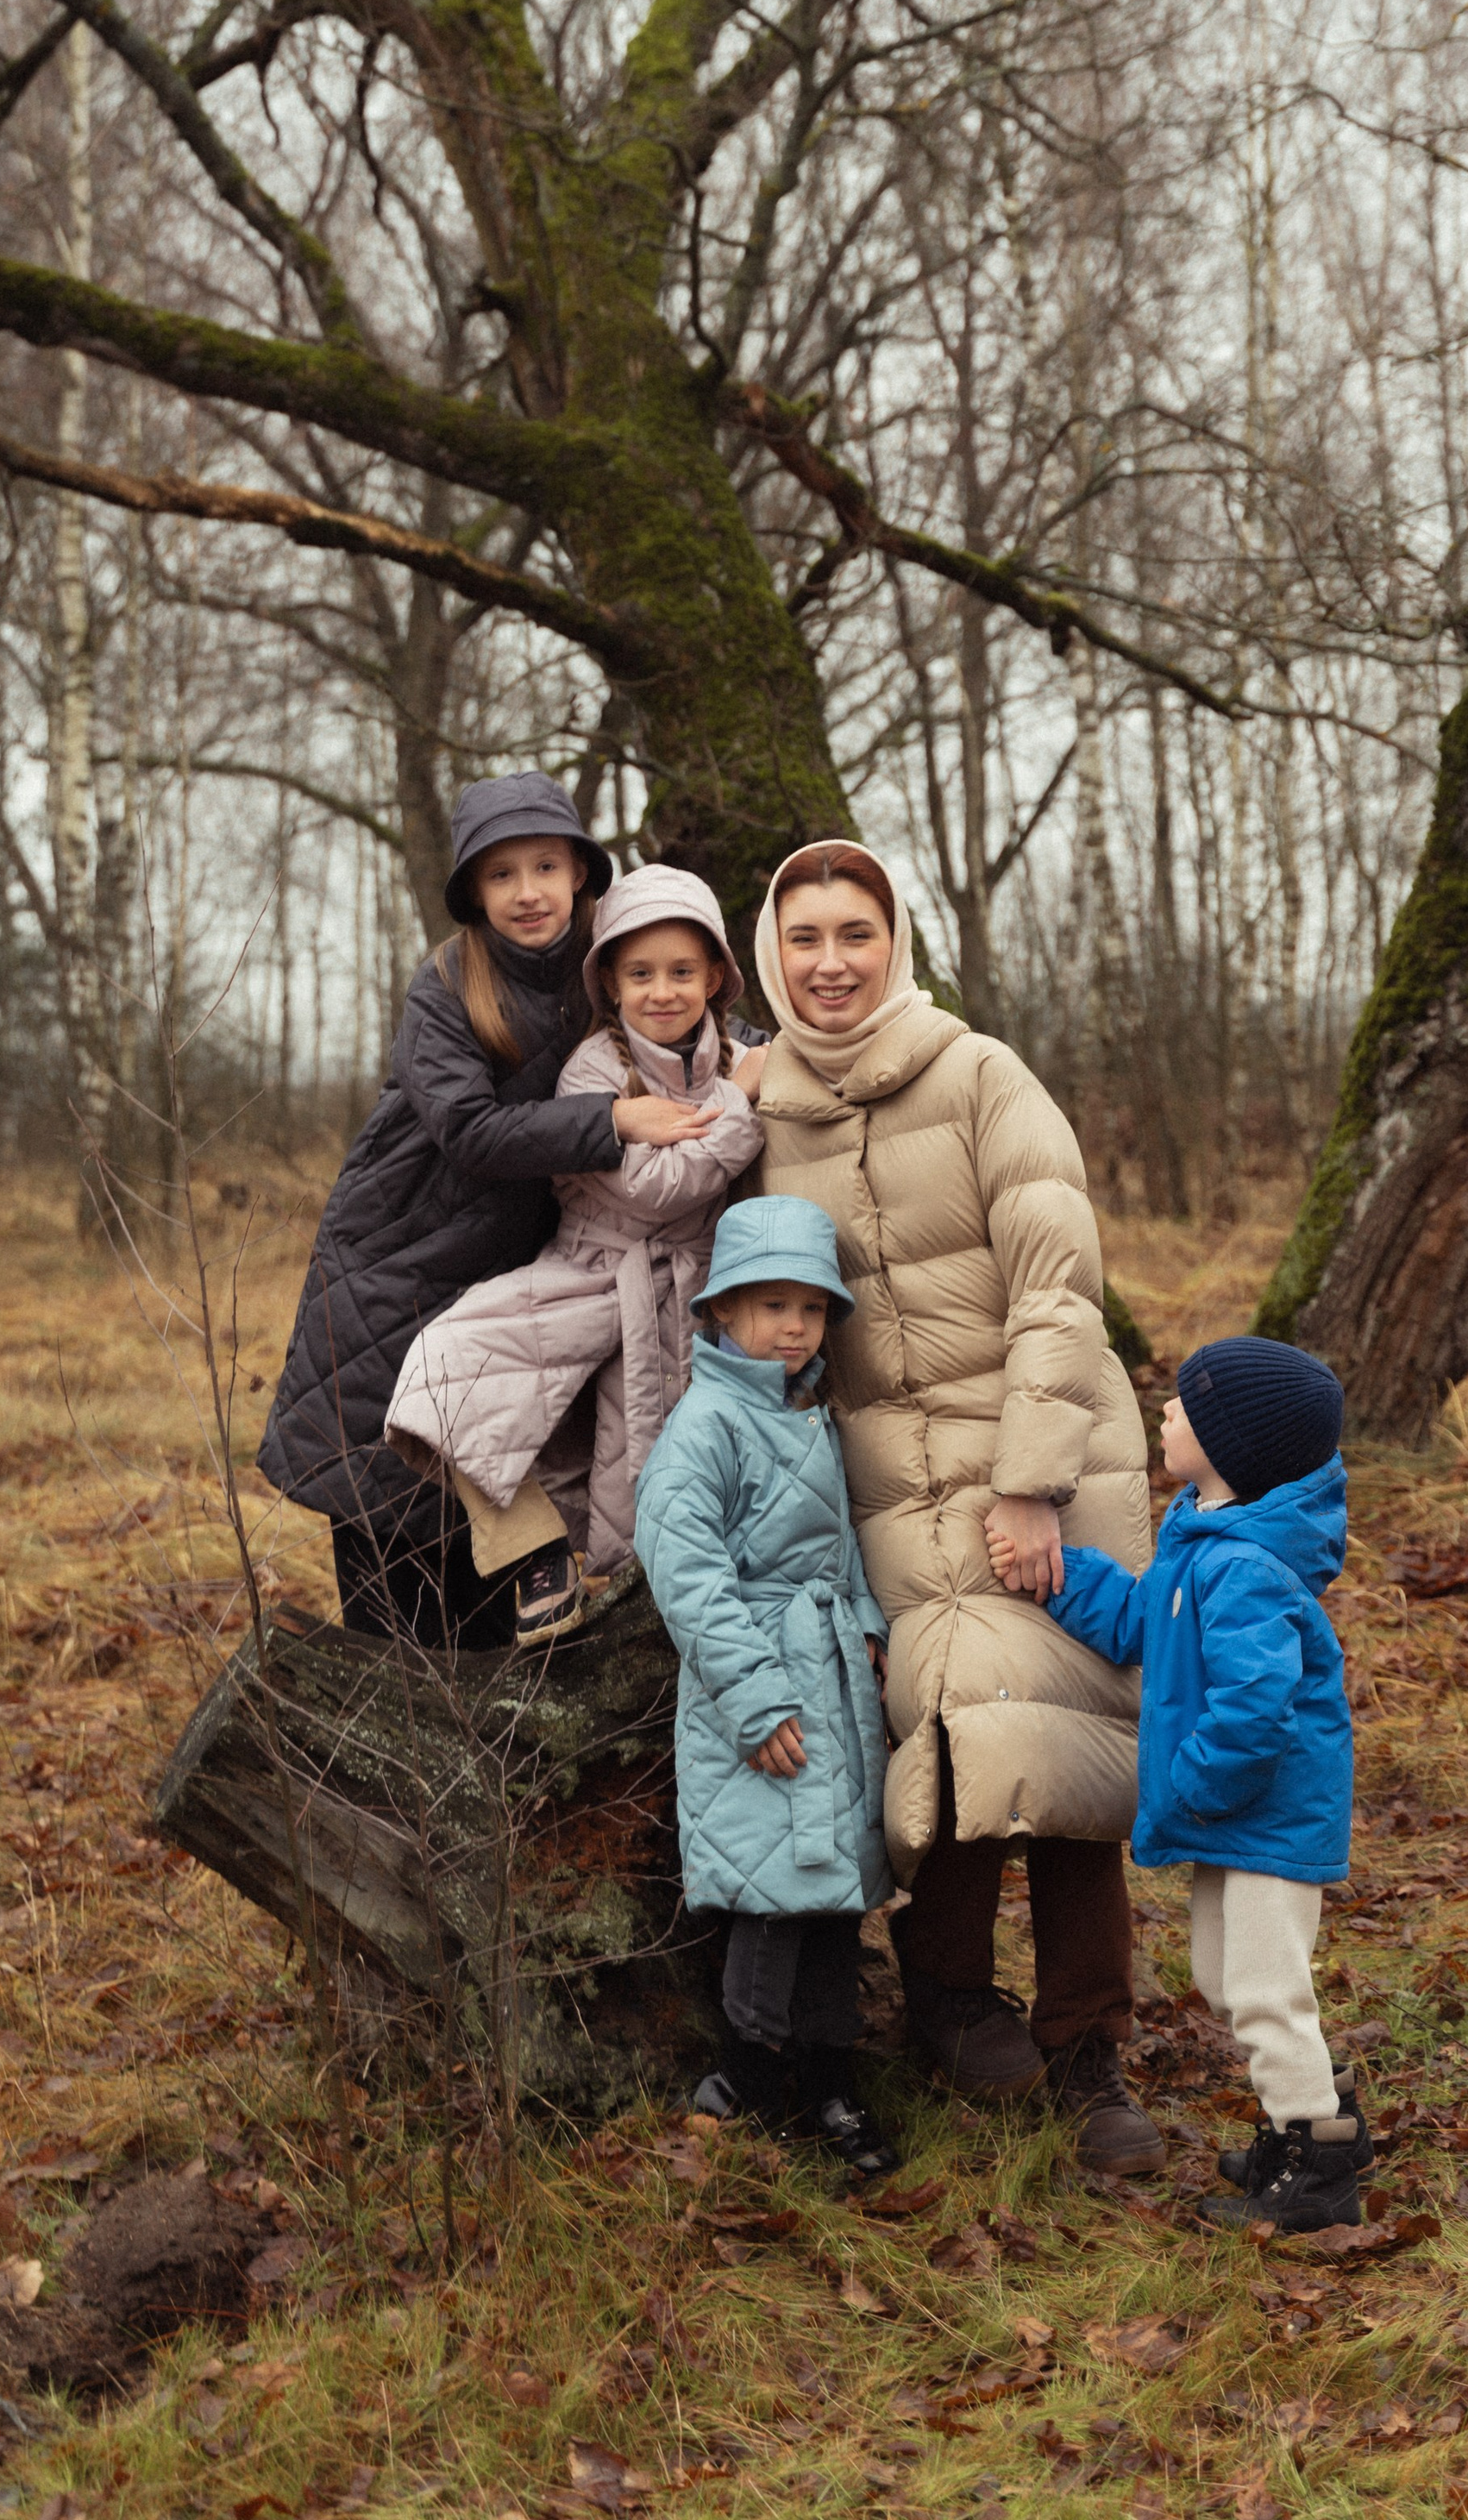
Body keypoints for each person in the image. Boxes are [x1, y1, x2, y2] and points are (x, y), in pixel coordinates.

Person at [751, 839, 1164, 2176]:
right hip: (881, 1490)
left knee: (1068, 1735)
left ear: (896, 941)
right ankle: (949, 2001)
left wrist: (1034, 1482)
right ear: (775, 953)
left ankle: (1092, 2045)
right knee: (937, 1738)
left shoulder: (983, 1073)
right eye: (804, 936)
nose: (830, 961)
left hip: (1037, 1460)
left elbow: (1059, 1282)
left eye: (854, 933)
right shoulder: (759, 1113)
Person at [258, 775, 711, 1651]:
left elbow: (685, 1008)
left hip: (516, 1274)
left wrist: (759, 1058)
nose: (529, 891)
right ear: (473, 891)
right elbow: (469, 1129)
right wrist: (613, 1120)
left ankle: (497, 1763)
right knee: (394, 1527)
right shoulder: (448, 986)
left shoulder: (609, 956)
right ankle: (397, 1757)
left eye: (547, 865)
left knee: (495, 1534)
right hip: (399, 1264)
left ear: (582, 871)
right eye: (502, 874)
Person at [989, 1335, 1368, 2234]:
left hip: (1262, 1819)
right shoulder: (1206, 1534)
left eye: (1184, 1406)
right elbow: (1139, 1623)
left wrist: (1191, 1783)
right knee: (1223, 1979)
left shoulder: (1243, 1569)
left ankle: (1317, 2167)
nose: (1164, 1410)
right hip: (1232, 1819)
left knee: (1266, 1990)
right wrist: (1058, 1577)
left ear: (1231, 1446)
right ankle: (1323, 2122)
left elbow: (1254, 1709)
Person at [380, 866, 766, 1644]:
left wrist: (735, 1087)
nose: (663, 991)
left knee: (657, 1450)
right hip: (591, 1270)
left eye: (683, 972)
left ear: (718, 976)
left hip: (698, 1284)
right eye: (641, 974)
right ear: (610, 985)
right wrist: (738, 1107)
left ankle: (650, 1601)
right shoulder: (594, 1070)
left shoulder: (740, 1056)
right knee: (447, 1368)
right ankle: (534, 1548)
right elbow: (657, 1187)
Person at [633, 1197, 898, 2182]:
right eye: (772, 1305)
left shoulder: (809, 1412)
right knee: (768, 1889)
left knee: (833, 1888)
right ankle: (744, 2073)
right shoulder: (706, 1425)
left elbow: (842, 1549)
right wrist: (752, 1700)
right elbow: (686, 1569)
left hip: (829, 1677)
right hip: (754, 1692)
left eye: (812, 1308)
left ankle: (832, 2075)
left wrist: (866, 1626)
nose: (794, 1326)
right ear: (723, 1314)